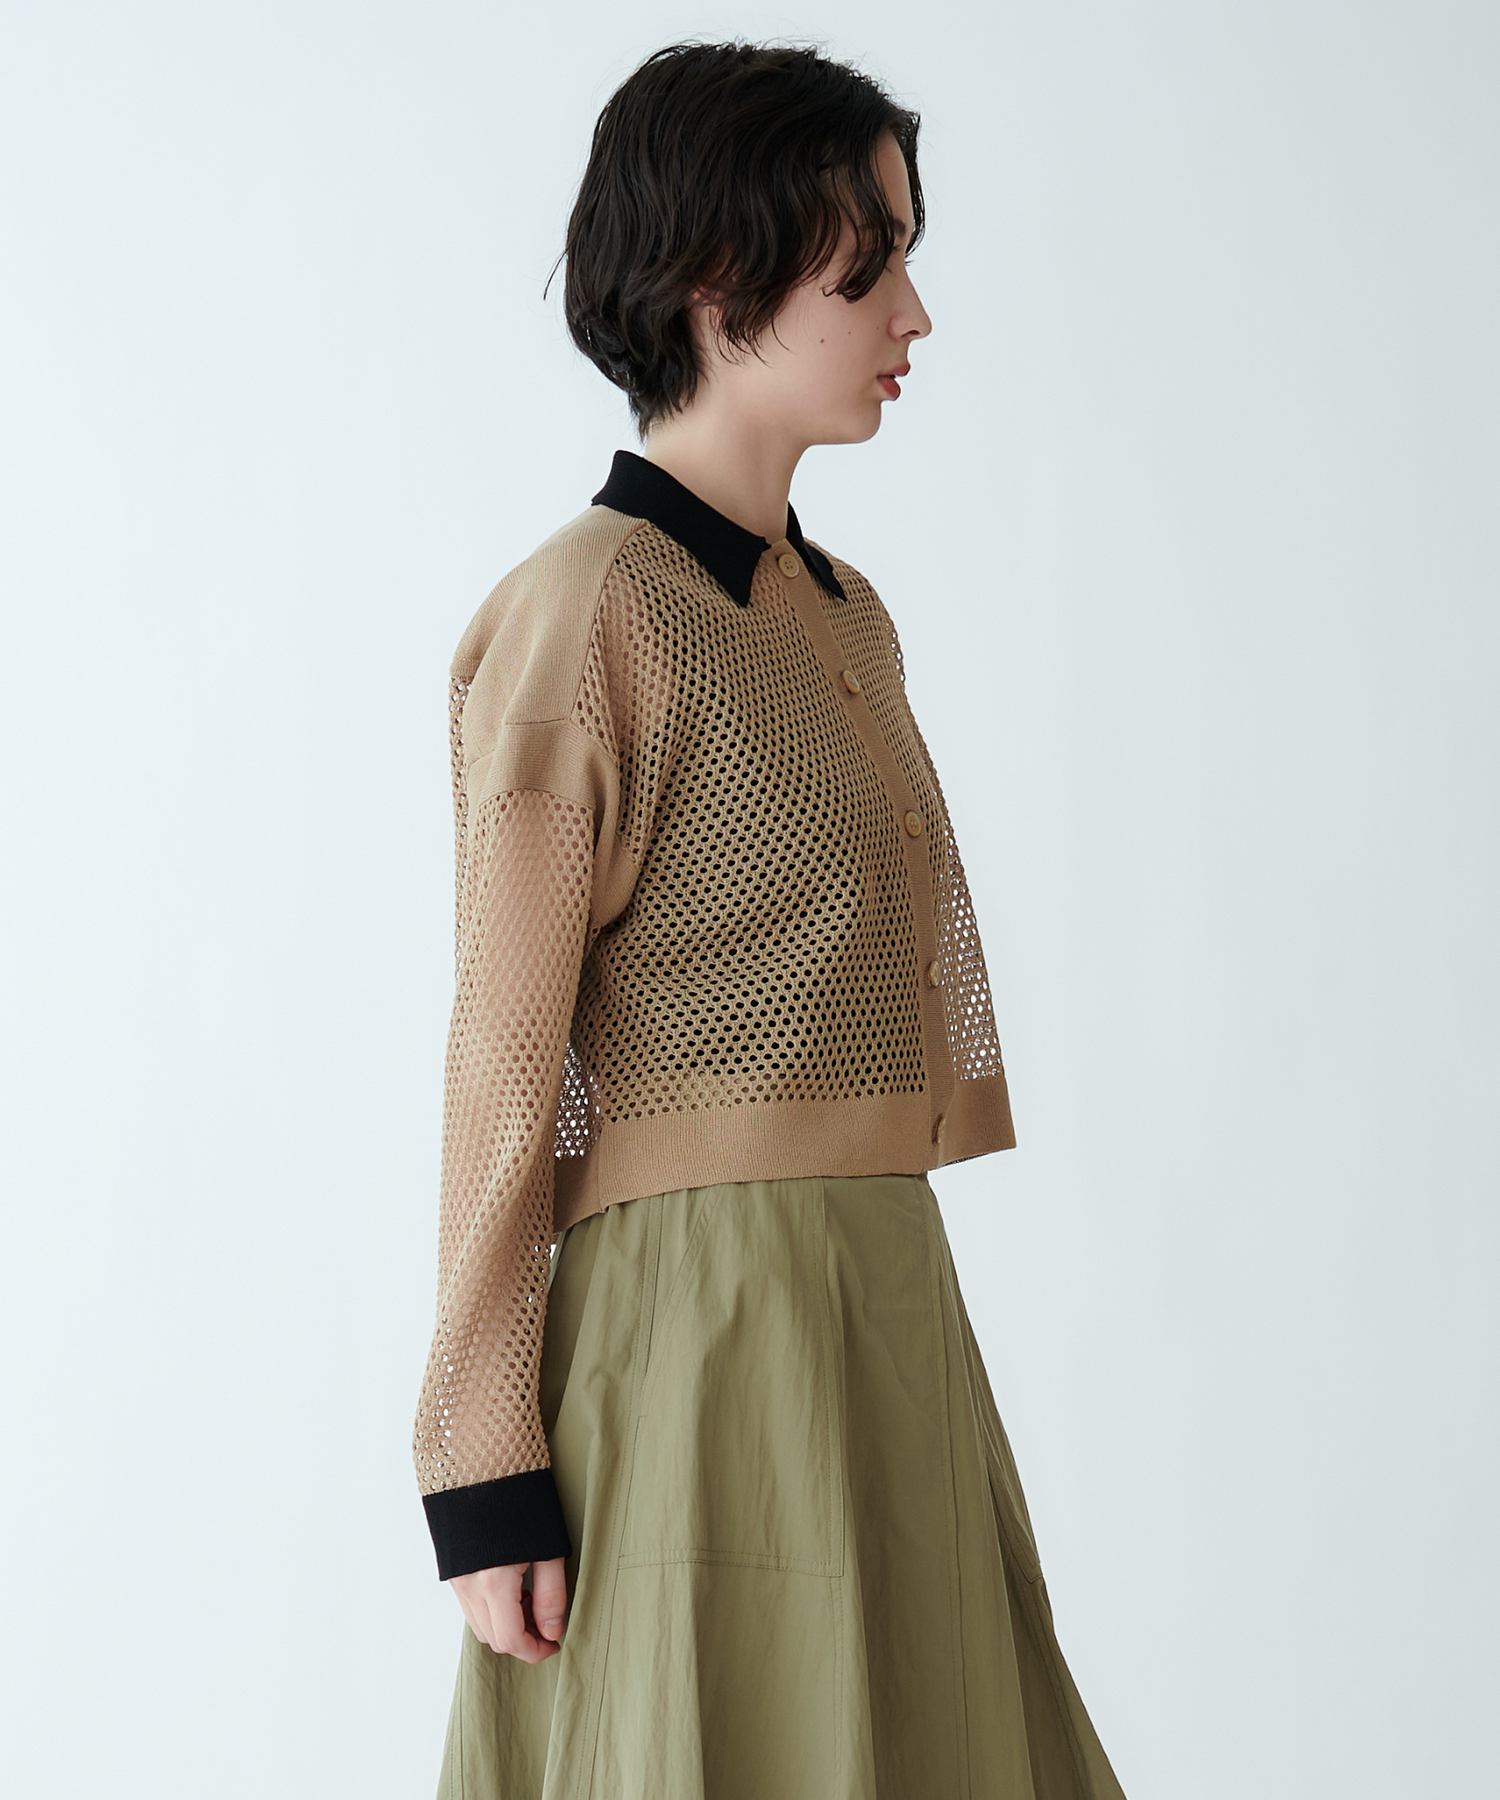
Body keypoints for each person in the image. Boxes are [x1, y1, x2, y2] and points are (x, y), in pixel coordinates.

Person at [413, 39, 1129, 1800]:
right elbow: (503, 1064)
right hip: (702, 1325)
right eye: (869, 264)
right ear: (719, 277)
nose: (915, 313)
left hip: (883, 1291)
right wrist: (482, 1455)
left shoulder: (841, 608)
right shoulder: (588, 612)